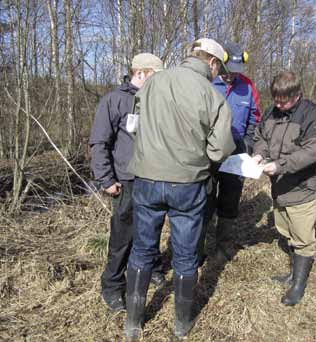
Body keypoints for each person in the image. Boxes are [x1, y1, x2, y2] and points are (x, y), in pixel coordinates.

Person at [123, 38, 235, 340]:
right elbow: (221, 148)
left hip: (146, 179)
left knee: (143, 250)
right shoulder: (212, 96)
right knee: (185, 256)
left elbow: (135, 127)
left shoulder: (152, 83)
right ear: (211, 62)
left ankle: (133, 324)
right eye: (218, 67)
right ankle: (181, 326)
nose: (218, 73)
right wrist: (203, 157)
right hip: (188, 184)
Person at [89, 53, 165, 312]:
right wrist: (106, 179)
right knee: (122, 238)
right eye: (156, 76)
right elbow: (99, 143)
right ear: (141, 73)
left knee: (150, 230)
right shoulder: (114, 100)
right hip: (125, 181)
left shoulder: (155, 100)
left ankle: (151, 268)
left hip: (152, 178)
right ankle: (111, 285)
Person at [252, 70, 316, 306]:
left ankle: (298, 284)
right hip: (281, 185)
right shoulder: (271, 111)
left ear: (297, 94)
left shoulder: (314, 116)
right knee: (286, 230)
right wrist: (258, 154)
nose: (278, 104)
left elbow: (311, 153)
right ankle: (293, 273)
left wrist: (280, 165)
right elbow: (262, 136)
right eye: (275, 99)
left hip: (305, 186)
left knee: (303, 237)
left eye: (283, 100)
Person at [197, 42, 261, 262]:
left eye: (237, 72)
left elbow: (254, 119)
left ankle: (223, 248)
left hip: (236, 154)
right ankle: (197, 249)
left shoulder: (248, 86)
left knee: (230, 200)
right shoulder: (206, 83)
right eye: (229, 70)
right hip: (208, 154)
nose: (232, 75)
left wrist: (248, 145)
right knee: (203, 199)